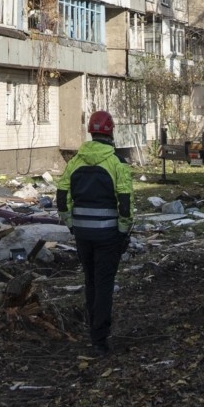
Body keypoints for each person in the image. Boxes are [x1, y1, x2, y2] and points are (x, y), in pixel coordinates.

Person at [57, 109, 134, 353]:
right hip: (108, 235)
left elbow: (61, 198)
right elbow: (125, 203)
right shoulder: (117, 163)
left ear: (90, 132)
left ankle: (93, 330)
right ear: (111, 132)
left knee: (90, 281)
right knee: (104, 284)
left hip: (83, 235)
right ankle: (99, 339)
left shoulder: (74, 162)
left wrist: (72, 224)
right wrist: (123, 232)